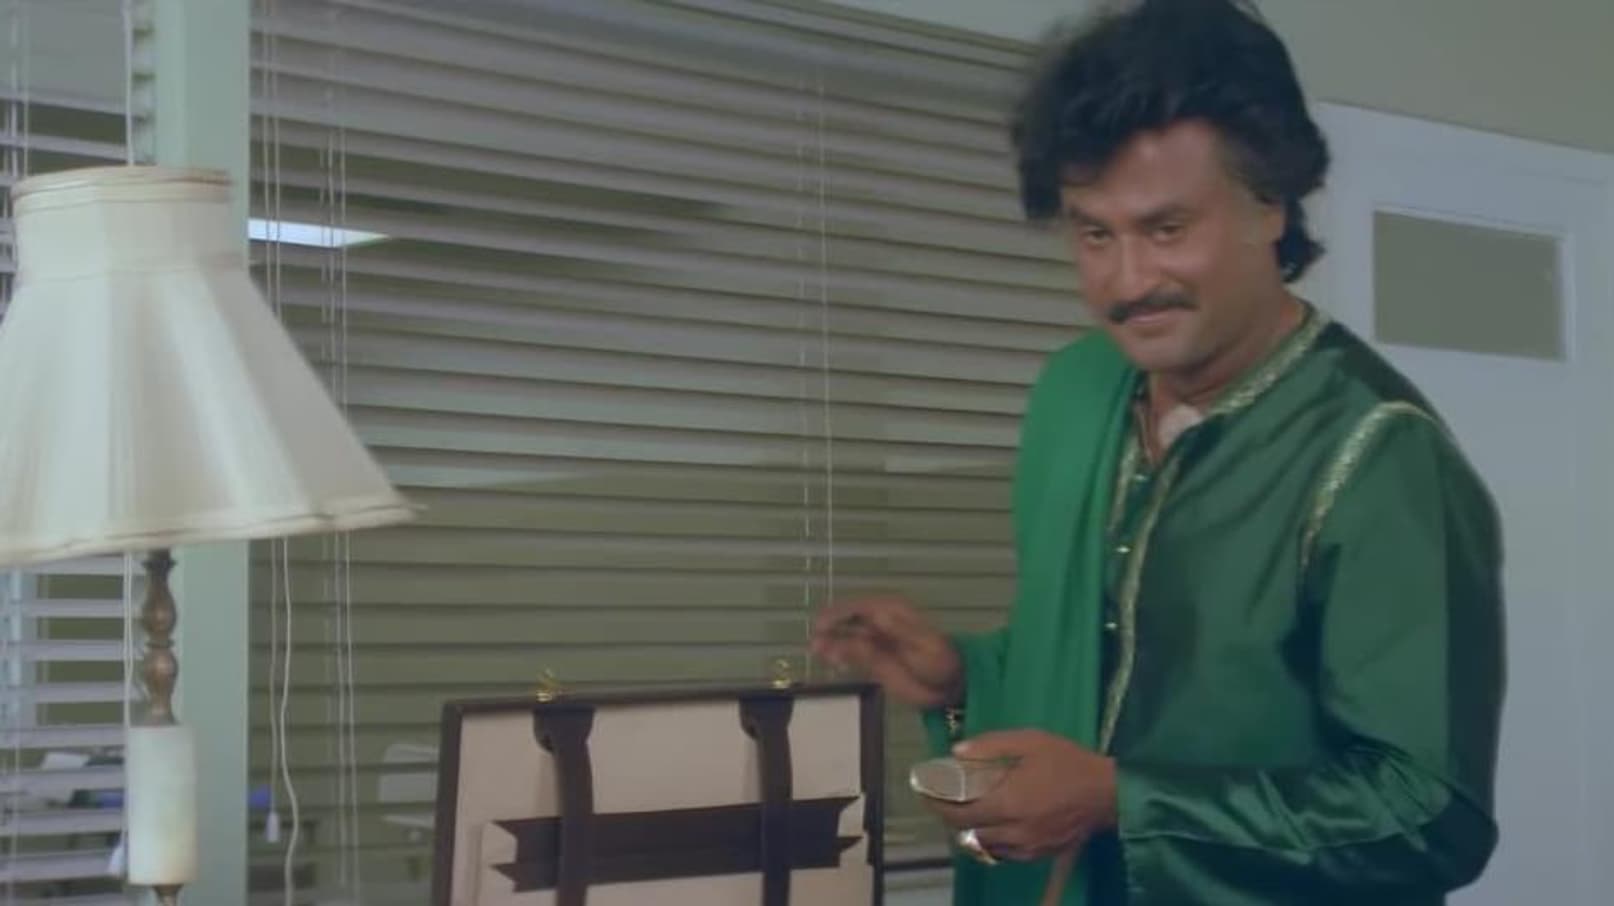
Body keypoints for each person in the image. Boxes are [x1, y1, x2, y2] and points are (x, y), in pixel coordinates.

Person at [809, 1, 1505, 904]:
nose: (1127, 282)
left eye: (1167, 229)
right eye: (1095, 233)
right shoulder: (1076, 395)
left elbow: (1429, 816)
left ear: (1270, 204)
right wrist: (960, 680)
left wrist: (1121, 801)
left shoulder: (1379, 458)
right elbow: (1098, 672)